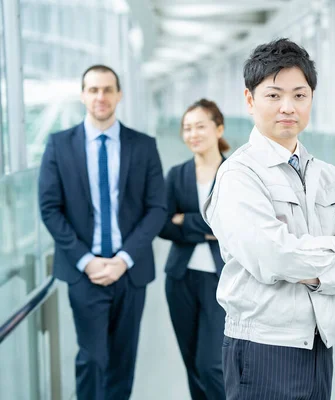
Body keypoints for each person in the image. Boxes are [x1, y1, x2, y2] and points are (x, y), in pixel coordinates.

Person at [202, 38, 335, 400]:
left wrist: (312, 270)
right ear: (250, 100)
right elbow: (274, 256)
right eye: (274, 95)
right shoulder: (239, 174)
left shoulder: (327, 175)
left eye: (299, 95)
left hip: (318, 343)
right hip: (262, 346)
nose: (288, 107)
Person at [38, 65, 166, 400]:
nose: (101, 97)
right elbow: (50, 208)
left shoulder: (143, 145)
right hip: (84, 271)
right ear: (83, 95)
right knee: (92, 358)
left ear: (119, 95)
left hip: (130, 270)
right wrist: (85, 259)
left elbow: (157, 209)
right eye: (93, 90)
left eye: (108, 89)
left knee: (123, 361)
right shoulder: (59, 145)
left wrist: (123, 259)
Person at [158, 99, 229, 400]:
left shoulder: (236, 172)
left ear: (218, 128)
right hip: (180, 278)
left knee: (211, 363)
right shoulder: (177, 174)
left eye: (200, 126)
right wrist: (208, 227)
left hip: (222, 279)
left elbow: (237, 226)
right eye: (187, 128)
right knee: (192, 363)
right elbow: (162, 224)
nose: (193, 134)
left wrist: (184, 221)